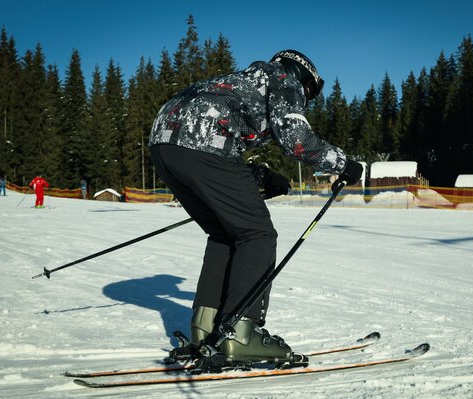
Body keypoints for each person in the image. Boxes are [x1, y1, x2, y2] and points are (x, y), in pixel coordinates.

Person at [149, 49, 363, 365]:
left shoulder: (244, 80)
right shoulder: (284, 79)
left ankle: (204, 327)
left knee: (224, 233)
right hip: (204, 143)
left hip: (164, 142)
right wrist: (344, 164)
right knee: (258, 234)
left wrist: (262, 176)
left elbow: (217, 129)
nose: (307, 99)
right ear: (305, 76)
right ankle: (240, 333)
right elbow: (297, 140)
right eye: (311, 92)